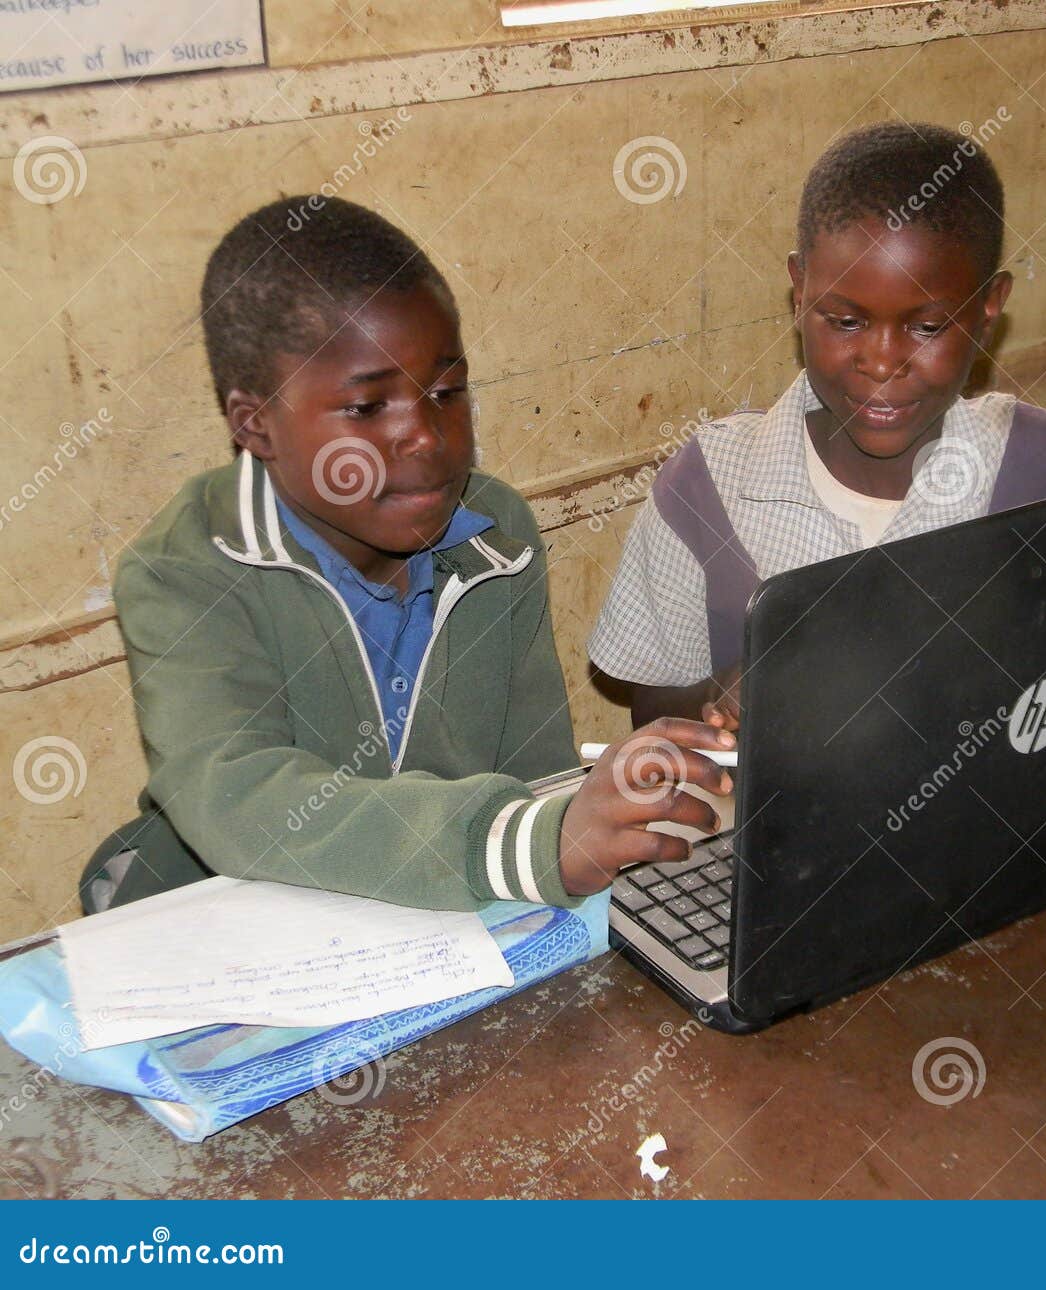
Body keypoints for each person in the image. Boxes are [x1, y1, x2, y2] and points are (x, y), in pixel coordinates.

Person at [80, 196, 726, 915]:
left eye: (446, 392)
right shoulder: (187, 569)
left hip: (447, 932)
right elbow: (244, 801)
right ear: (255, 424)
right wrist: (526, 844)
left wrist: (596, 813)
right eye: (366, 409)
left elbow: (536, 778)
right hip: (246, 932)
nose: (424, 436)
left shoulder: (494, 533)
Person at [588, 121, 1046, 730]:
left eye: (929, 325)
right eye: (844, 320)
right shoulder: (708, 491)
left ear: (989, 307)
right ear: (798, 286)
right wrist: (726, 698)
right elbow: (652, 701)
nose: (881, 361)